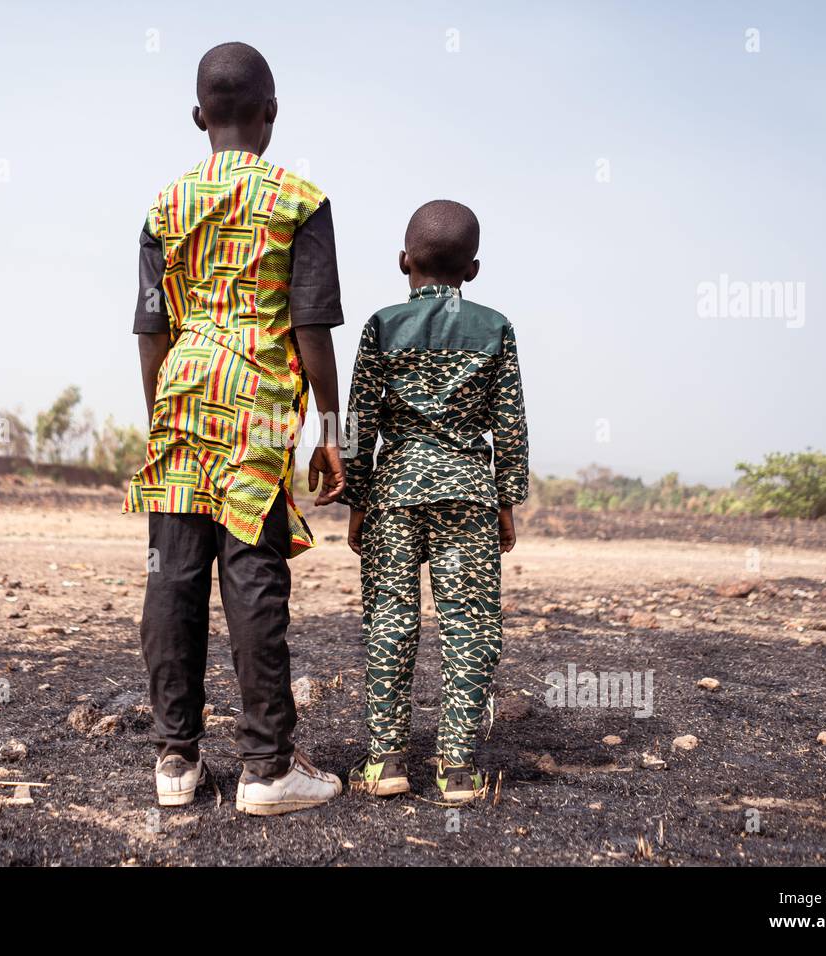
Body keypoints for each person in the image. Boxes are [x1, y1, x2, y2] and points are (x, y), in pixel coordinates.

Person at [125, 42, 347, 815]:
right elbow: (313, 327)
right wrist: (332, 427)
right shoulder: (300, 200)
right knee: (252, 575)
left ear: (198, 116)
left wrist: (162, 414)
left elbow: (150, 329)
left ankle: (176, 763)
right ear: (271, 114)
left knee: (173, 574)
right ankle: (265, 770)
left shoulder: (165, 205)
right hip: (256, 401)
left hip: (182, 395)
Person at [341, 200, 529, 803]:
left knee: (389, 624)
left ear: (404, 261)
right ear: (472, 270)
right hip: (469, 496)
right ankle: (457, 770)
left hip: (394, 494)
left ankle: (386, 763)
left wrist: (357, 500)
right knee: (470, 627)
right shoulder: (496, 327)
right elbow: (511, 426)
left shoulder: (380, 325)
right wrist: (506, 500)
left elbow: (358, 425)